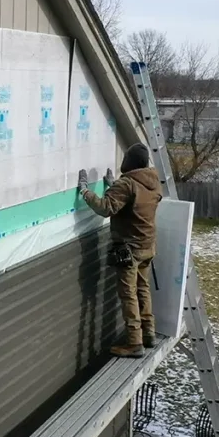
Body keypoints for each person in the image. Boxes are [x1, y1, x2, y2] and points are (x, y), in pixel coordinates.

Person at [76, 142, 163, 358]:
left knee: (128, 294)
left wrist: (85, 191)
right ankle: (149, 333)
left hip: (130, 249)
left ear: (129, 162)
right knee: (143, 289)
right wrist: (114, 185)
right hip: (147, 245)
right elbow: (134, 202)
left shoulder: (127, 184)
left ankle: (134, 343)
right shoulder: (153, 182)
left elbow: (106, 208)